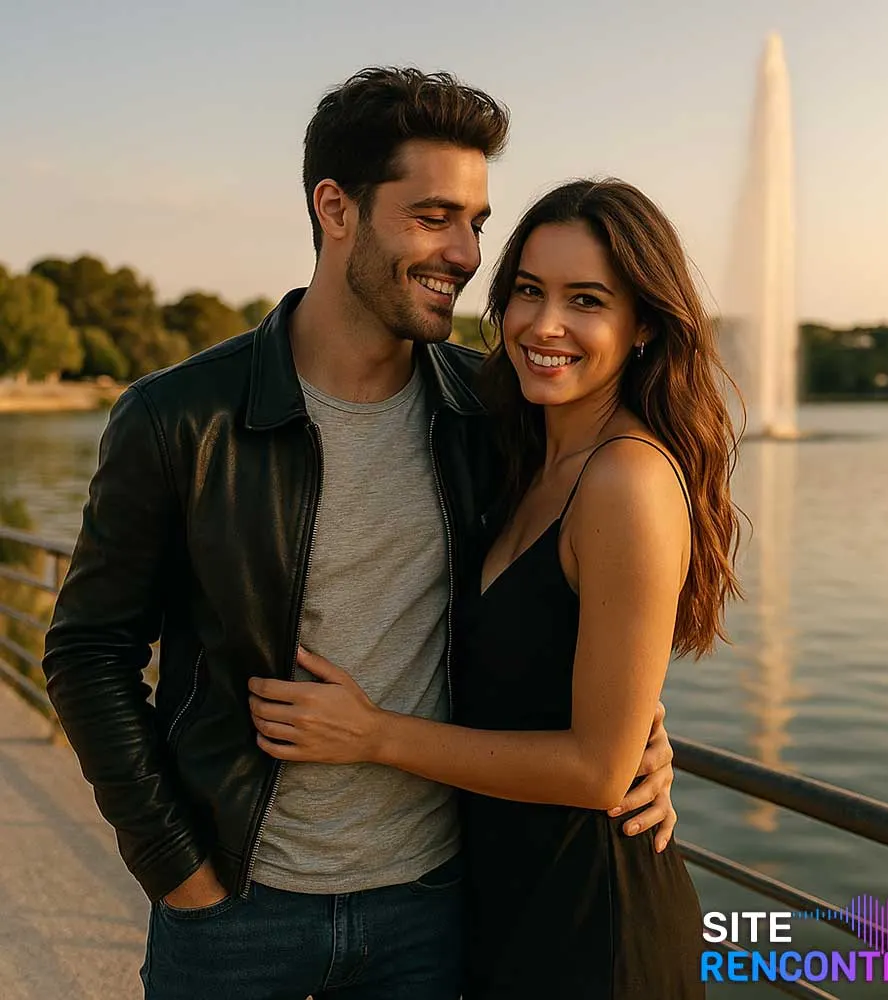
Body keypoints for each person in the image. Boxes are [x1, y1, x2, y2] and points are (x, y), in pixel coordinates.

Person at [42, 70, 677, 1000]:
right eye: (433, 216)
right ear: (335, 208)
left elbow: (565, 590)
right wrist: (179, 872)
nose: (465, 254)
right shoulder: (179, 418)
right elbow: (88, 653)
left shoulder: (488, 413)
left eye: (476, 223)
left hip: (436, 908)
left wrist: (637, 733)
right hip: (236, 911)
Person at [247, 179, 743, 998]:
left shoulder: (626, 479)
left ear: (645, 325)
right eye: (528, 291)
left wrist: (372, 735)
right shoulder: (521, 452)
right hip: (500, 907)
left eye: (587, 301)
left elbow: (597, 770)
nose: (544, 325)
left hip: (593, 932)